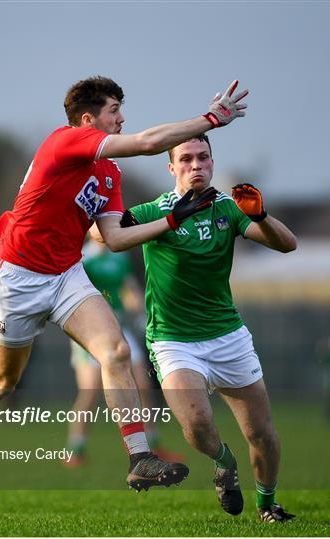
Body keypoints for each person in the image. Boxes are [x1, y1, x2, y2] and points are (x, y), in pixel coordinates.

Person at [0, 76, 248, 492]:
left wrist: (172, 219)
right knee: (3, 382)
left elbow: (114, 237)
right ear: (87, 120)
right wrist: (210, 120)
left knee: (117, 350)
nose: (122, 118)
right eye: (114, 112)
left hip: (66, 274)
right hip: (18, 275)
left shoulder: (108, 172)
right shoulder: (64, 142)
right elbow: (147, 143)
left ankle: (140, 456)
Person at [110, 134, 297, 522]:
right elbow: (104, 235)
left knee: (261, 433)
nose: (196, 165)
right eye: (187, 159)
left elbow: (287, 244)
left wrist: (260, 216)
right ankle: (223, 462)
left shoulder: (228, 209)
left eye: (204, 157)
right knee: (196, 426)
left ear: (212, 162)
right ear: (172, 167)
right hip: (172, 340)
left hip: (227, 336)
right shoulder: (154, 210)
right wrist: (166, 223)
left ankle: (267, 503)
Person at [64, 238, 182, 466]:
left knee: (143, 385)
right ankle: (75, 449)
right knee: (90, 392)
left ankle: (152, 444)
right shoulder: (83, 259)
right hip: (89, 331)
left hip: (118, 328)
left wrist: (141, 313)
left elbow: (129, 289)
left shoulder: (120, 256)